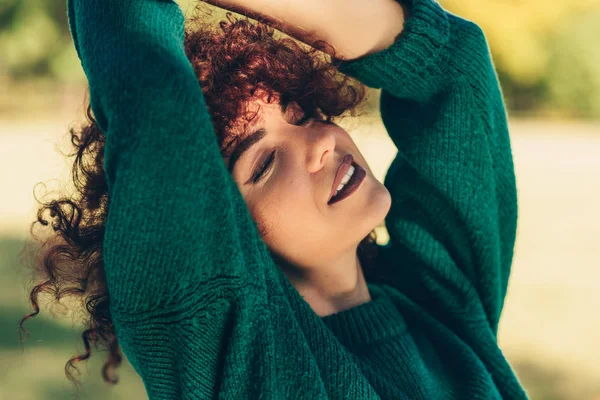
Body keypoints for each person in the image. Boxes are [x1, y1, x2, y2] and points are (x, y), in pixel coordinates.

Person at [19, 0, 529, 398]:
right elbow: (160, 114)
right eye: (262, 164)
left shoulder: (440, 305)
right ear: (218, 233)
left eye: (302, 114)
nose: (321, 143)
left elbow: (455, 66)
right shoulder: (241, 361)